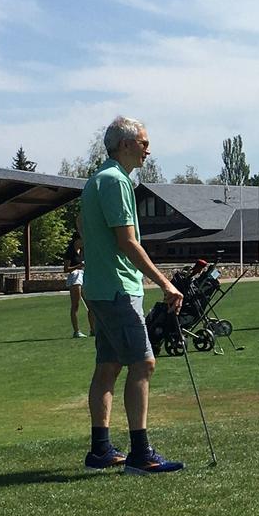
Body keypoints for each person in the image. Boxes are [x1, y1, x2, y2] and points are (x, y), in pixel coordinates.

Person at [80, 116, 185, 473]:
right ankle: (140, 454)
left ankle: (101, 451)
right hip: (117, 289)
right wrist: (165, 283)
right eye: (143, 142)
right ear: (125, 145)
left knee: (108, 367)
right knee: (143, 364)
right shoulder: (115, 181)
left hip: (99, 288)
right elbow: (128, 242)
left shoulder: (98, 180)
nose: (148, 149)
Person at [64, 228, 86, 338]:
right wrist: (78, 266)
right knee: (76, 304)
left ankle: (93, 329)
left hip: (83, 275)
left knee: (91, 304)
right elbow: (66, 269)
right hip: (75, 277)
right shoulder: (70, 251)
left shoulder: (82, 250)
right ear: (77, 240)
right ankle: (76, 331)